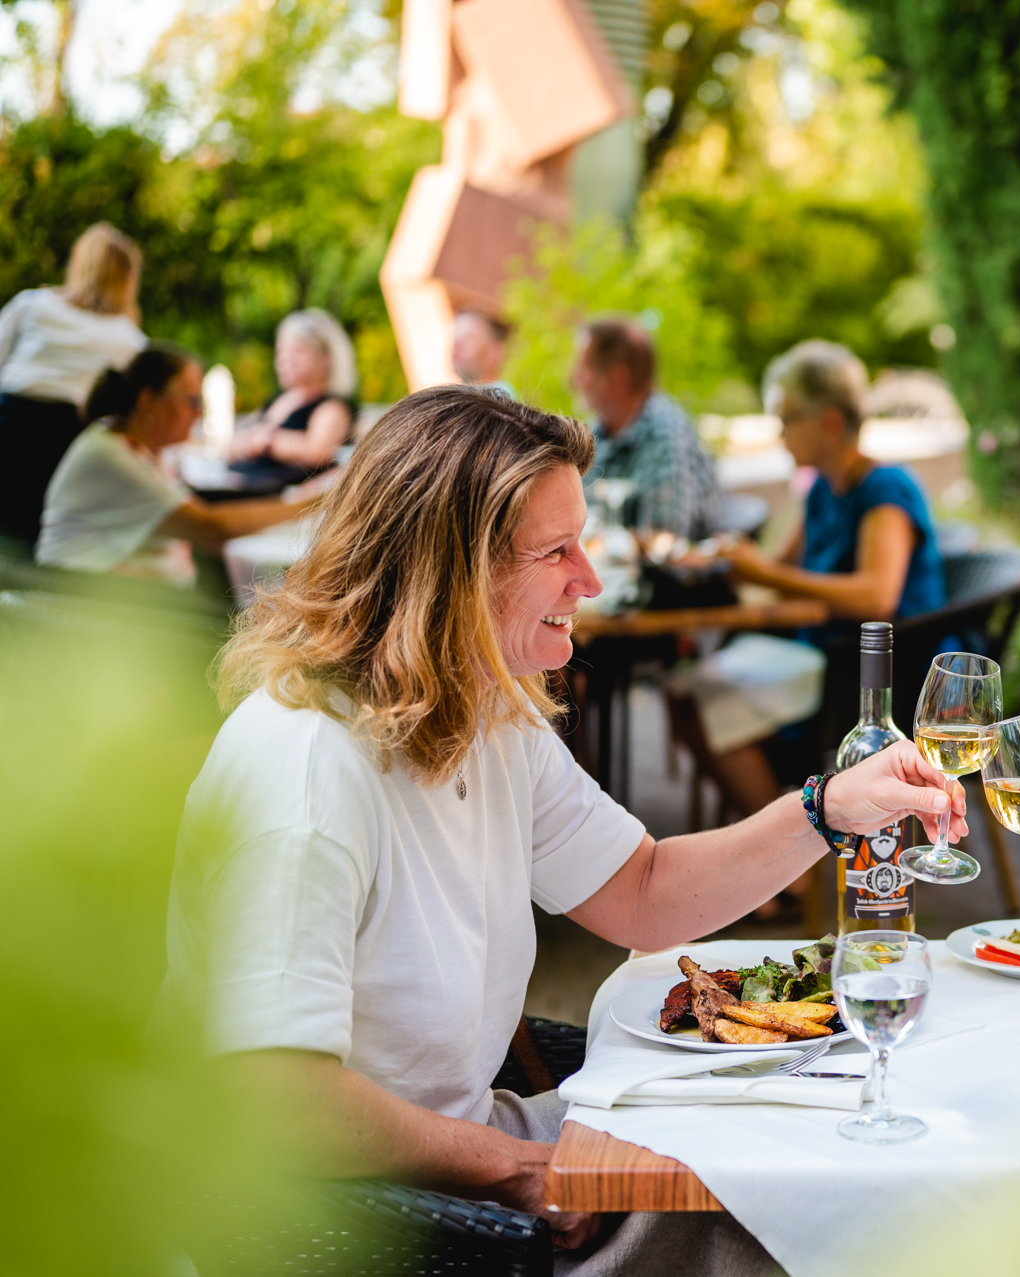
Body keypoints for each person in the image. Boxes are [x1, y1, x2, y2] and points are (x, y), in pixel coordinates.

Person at [155, 384, 964, 1275]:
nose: (591, 579)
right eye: (556, 551)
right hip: (343, 1217)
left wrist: (828, 808)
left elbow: (644, 892)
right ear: (451, 571)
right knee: (774, 1223)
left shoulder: (482, 710)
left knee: (794, 1149)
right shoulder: (307, 768)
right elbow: (277, 1097)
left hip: (468, 1152)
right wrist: (516, 1169)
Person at [683, 339, 949, 817]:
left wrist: (763, 571)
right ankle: (779, 835)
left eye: (787, 419)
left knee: (699, 703)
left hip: (877, 677)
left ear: (829, 422)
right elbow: (777, 575)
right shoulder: (823, 490)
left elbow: (876, 596)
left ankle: (792, 848)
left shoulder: (886, 488)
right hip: (822, 656)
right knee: (687, 693)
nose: (780, 433)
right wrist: (725, 562)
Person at [36, 345, 324, 585]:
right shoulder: (112, 455)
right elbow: (210, 526)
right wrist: (309, 504)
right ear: (148, 401)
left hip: (127, 600)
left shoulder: (138, 450)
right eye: (191, 400)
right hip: (93, 605)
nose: (198, 412)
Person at [0, 222, 147, 547]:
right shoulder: (131, 341)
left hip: (9, 429)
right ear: (128, 280)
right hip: (74, 447)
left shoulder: (31, 305)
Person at [569, 317, 720, 539]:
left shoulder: (665, 436)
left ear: (617, 378)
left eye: (584, 368)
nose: (573, 378)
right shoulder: (598, 431)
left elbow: (664, 538)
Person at [228, 308, 357, 488]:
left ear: (325, 358)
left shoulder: (333, 407)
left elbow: (318, 452)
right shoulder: (278, 400)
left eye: (298, 351)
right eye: (281, 352)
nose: (285, 360)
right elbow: (233, 445)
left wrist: (269, 441)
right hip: (242, 485)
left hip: (285, 500)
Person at [453, 307, 514, 393]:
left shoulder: (500, 399)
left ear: (495, 351)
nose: (457, 345)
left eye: (468, 338)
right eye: (456, 338)